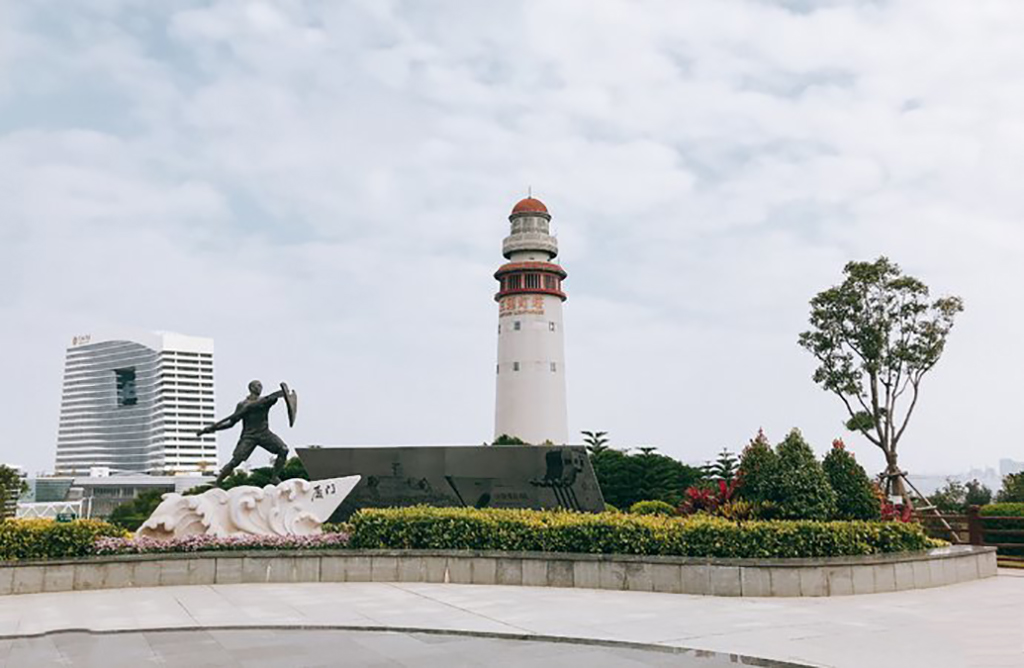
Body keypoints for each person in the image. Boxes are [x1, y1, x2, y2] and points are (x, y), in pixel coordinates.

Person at [198, 380, 290, 485]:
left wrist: (283, 393)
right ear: (251, 388)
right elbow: (231, 423)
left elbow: (274, 396)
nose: (260, 388)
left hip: (264, 433)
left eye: (261, 386)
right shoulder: (242, 405)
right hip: (249, 436)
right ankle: (217, 482)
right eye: (258, 385)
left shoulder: (265, 401)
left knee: (283, 449)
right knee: (235, 461)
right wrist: (212, 429)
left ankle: (274, 477)